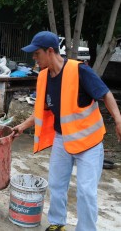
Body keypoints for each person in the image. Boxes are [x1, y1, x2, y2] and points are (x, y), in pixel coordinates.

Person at [12, 31, 121, 231]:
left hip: (89, 143)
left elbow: (105, 94)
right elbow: (41, 111)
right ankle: (57, 223)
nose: (34, 58)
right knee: (56, 184)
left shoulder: (79, 71)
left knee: (86, 192)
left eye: (37, 54)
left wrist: (118, 118)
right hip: (63, 139)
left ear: (50, 51)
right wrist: (22, 127)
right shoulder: (44, 77)